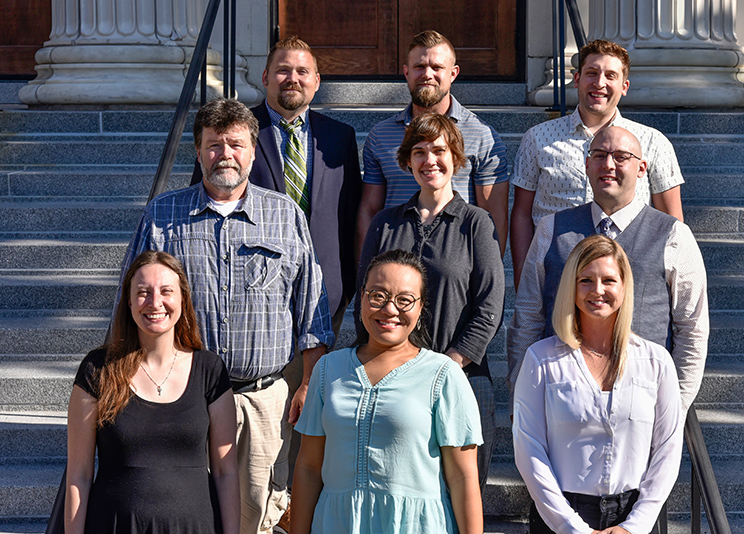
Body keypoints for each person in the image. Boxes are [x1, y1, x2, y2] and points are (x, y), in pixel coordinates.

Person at [120, 98, 335, 534]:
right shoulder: (163, 215)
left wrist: (310, 382)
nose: (225, 154)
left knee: (253, 513)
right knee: (184, 507)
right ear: (198, 153)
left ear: (253, 152)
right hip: (182, 397)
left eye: (235, 144)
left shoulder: (284, 214)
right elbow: (132, 301)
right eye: (213, 145)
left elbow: (311, 305)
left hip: (261, 398)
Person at [507, 126, 708, 413]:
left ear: (642, 168)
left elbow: (692, 330)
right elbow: (527, 318)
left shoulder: (674, 236)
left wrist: (673, 407)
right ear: (587, 165)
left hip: (643, 405)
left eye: (621, 156)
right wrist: (522, 398)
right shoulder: (551, 229)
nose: (609, 164)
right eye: (599, 155)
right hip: (562, 402)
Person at [356, 113, 505, 491]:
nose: (429, 160)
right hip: (391, 380)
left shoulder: (476, 223)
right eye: (418, 152)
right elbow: (367, 299)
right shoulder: (386, 225)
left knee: (462, 495)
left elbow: (490, 306)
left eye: (439, 150)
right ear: (407, 162)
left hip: (462, 377)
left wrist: (448, 364)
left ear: (456, 158)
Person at [292, 249, 483, 534]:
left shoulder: (443, 374)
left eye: (404, 300)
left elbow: (462, 476)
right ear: (362, 298)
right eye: (378, 296)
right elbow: (308, 467)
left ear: (420, 309)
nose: (390, 309)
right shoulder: (327, 369)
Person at [190, 36, 362, 335]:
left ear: (317, 81)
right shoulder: (233, 134)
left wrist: (347, 284)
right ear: (266, 77)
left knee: (313, 379)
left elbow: (350, 213)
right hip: (249, 291)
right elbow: (203, 202)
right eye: (283, 70)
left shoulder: (340, 137)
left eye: (302, 71)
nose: (292, 79)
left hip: (326, 290)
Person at [513, 235, 683, 534]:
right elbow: (529, 450)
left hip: (634, 516)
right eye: (586, 280)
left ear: (623, 286)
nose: (598, 290)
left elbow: (668, 449)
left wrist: (634, 526)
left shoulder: (656, 362)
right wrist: (573, 528)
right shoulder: (541, 359)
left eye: (608, 280)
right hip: (559, 518)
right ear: (572, 287)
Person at [66, 250, 239, 534]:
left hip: (195, 527)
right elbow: (79, 475)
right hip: (114, 526)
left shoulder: (210, 370)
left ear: (182, 298)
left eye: (166, 291)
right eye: (143, 292)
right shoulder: (98, 370)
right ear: (129, 301)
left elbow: (226, 471)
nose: (155, 302)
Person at [509, 39, 684, 288]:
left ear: (624, 86)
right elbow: (522, 215)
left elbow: (671, 219)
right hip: (557, 274)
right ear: (577, 78)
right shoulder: (538, 138)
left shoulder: (652, 142)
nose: (599, 83)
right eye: (591, 73)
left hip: (628, 275)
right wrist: (524, 279)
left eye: (610, 76)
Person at [357, 29, 508, 257]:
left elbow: (493, 214)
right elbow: (369, 209)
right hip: (395, 263)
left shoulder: (482, 135)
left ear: (453, 73)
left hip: (457, 261)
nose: (427, 74)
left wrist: (488, 273)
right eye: (419, 67)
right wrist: (367, 270)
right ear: (406, 72)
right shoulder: (380, 136)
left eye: (437, 67)